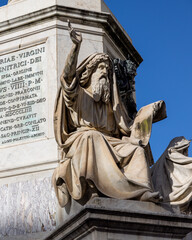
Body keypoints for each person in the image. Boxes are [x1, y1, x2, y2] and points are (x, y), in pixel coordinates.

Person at [52, 23, 166, 207]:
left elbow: (128, 128)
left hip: (109, 143)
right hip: (83, 139)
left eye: (107, 69)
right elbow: (67, 78)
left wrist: (148, 113)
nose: (104, 72)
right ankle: (94, 185)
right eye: (100, 69)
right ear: (89, 73)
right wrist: (76, 47)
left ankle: (142, 191)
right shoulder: (80, 96)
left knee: (135, 150)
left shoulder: (112, 107)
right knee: (93, 137)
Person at [152, 137, 192, 213]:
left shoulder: (166, 157)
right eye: (185, 149)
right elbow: (188, 162)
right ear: (180, 147)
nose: (186, 152)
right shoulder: (172, 154)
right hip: (171, 196)